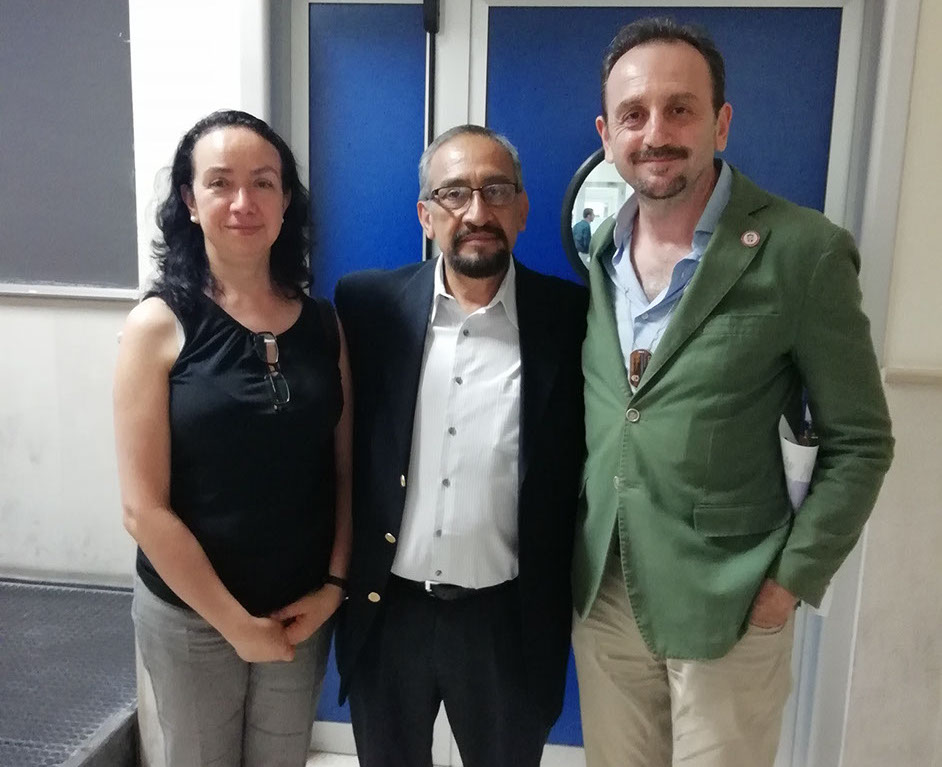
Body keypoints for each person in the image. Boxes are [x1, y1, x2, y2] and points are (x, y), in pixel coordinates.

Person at [572, 18, 894, 767]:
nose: (656, 133)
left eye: (680, 109)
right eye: (634, 114)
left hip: (733, 600)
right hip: (606, 592)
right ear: (608, 135)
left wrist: (790, 581)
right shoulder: (602, 249)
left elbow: (861, 442)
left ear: (720, 123)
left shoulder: (803, 251)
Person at [334, 124, 587, 767]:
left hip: (509, 622)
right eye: (453, 193)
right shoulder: (367, 307)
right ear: (426, 215)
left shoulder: (572, 320)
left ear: (523, 209)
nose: (476, 212)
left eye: (496, 191)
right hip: (388, 613)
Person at [113, 109, 352, 767]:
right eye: (220, 182)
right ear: (190, 201)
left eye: (263, 183)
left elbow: (344, 470)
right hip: (191, 617)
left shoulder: (324, 325)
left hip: (300, 611)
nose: (243, 202)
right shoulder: (157, 325)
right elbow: (143, 509)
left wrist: (334, 584)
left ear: (285, 201)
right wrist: (233, 622)